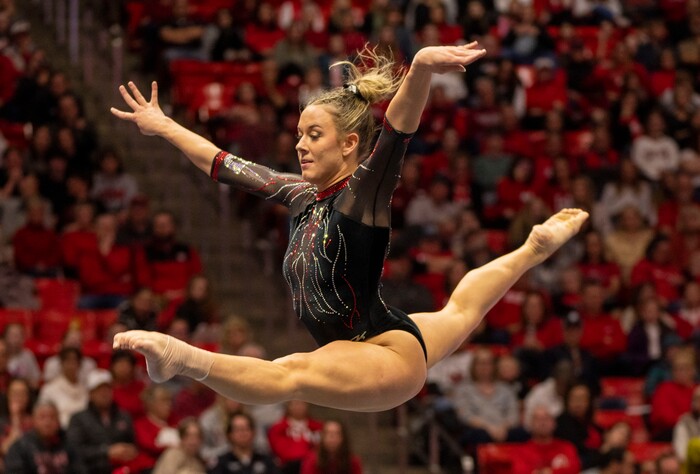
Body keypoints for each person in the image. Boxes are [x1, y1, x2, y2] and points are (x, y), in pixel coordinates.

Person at [111, 44, 589, 413]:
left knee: (288, 374)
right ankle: (533, 247)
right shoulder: (298, 194)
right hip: (376, 338)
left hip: (383, 353)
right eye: (299, 134)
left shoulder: (362, 195)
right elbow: (223, 164)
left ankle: (182, 358)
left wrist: (420, 67)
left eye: (313, 135)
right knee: (461, 311)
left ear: (349, 145)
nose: (300, 145)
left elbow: (397, 131)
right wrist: (163, 124)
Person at [66, 369, 141, 474]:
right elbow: (75, 451)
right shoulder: (78, 419)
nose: (104, 393)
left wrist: (129, 450)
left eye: (107, 389)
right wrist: (107, 451)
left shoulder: (124, 416)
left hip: (123, 468)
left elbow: (134, 444)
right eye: (99, 390)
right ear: (90, 394)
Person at [4, 401, 81, 473]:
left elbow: (80, 470)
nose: (47, 422)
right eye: (42, 417)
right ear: (34, 421)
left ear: (58, 421)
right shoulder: (20, 447)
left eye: (52, 417)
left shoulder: (70, 443)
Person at [211, 412, 280, 474]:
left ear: (253, 432)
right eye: (237, 429)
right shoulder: (221, 463)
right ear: (229, 434)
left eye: (246, 429)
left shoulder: (266, 460)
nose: (242, 433)